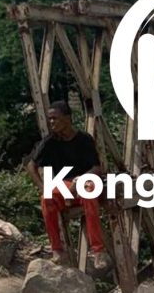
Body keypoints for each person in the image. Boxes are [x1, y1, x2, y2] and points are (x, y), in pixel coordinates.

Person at [26, 101, 111, 270]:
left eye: (55, 118)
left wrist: (80, 180)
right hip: (63, 186)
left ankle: (98, 251)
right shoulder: (49, 142)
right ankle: (57, 250)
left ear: (67, 118)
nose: (51, 122)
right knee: (46, 198)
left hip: (85, 183)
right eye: (50, 119)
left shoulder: (84, 139)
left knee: (89, 190)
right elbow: (30, 166)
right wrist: (43, 188)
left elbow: (96, 168)